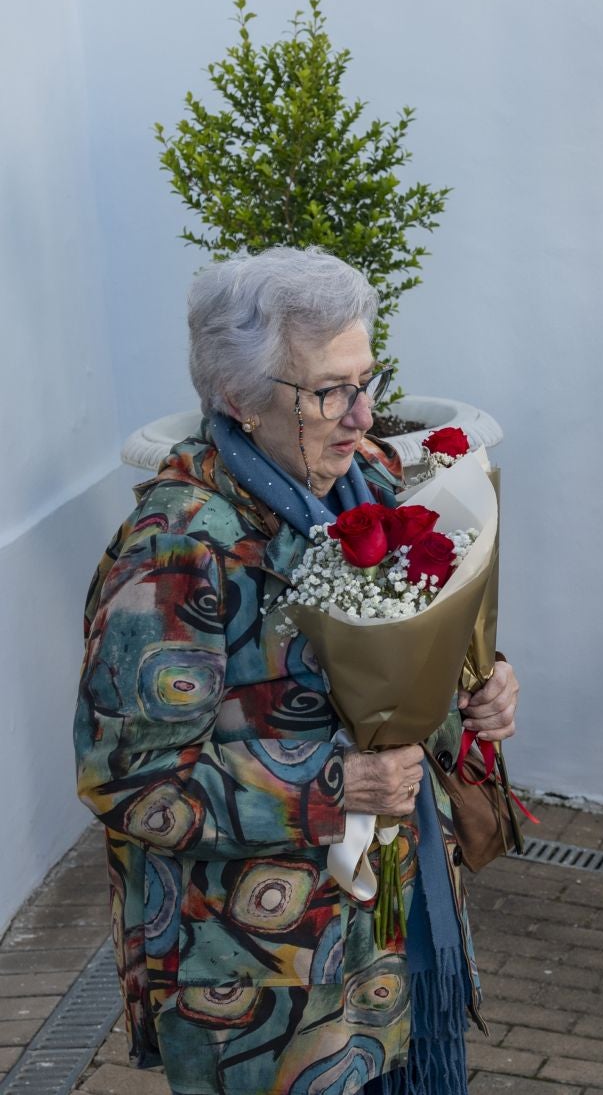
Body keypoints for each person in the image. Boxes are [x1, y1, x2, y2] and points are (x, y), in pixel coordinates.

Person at [74, 248, 519, 1094]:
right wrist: (333, 784)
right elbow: (128, 780)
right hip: (269, 985)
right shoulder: (178, 547)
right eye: (327, 391)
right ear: (238, 400)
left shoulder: (380, 483)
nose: (362, 414)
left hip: (398, 946)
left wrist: (479, 688)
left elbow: (405, 678)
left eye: (367, 377)